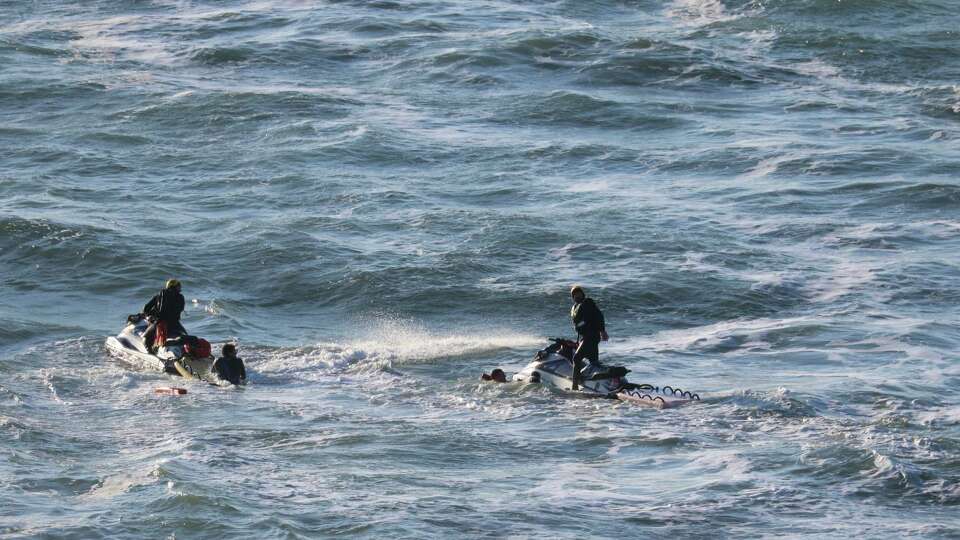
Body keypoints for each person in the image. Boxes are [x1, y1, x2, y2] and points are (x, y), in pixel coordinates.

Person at [569, 285, 608, 390]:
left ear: (582, 294)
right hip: (586, 336)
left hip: (592, 336)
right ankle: (601, 386)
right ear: (572, 296)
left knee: (576, 358)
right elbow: (578, 324)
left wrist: (602, 331)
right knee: (594, 362)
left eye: (579, 293)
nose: (577, 295)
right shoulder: (575, 306)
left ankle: (575, 386)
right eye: (574, 294)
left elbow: (599, 316)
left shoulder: (588, 302)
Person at [141, 279, 186, 353]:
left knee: (146, 337)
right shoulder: (181, 297)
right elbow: (180, 309)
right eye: (179, 286)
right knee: (185, 335)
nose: (180, 288)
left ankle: (150, 352)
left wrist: (150, 316)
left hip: (160, 323)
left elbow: (146, 308)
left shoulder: (159, 295)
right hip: (175, 324)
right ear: (175, 287)